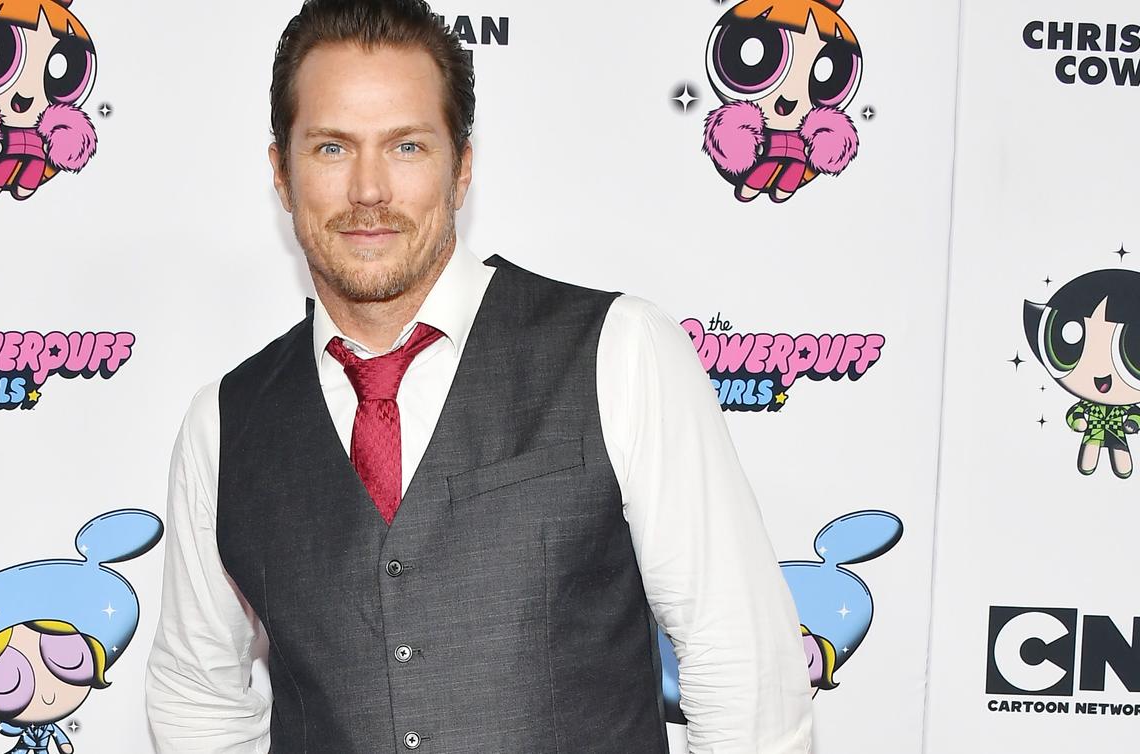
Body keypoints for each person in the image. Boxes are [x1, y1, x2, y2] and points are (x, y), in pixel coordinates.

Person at [146, 1, 812, 751]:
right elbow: (197, 694)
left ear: (461, 168)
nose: (369, 190)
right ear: (281, 173)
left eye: (406, 146)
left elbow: (744, 668)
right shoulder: (226, 424)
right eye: (332, 148)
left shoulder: (621, 352)